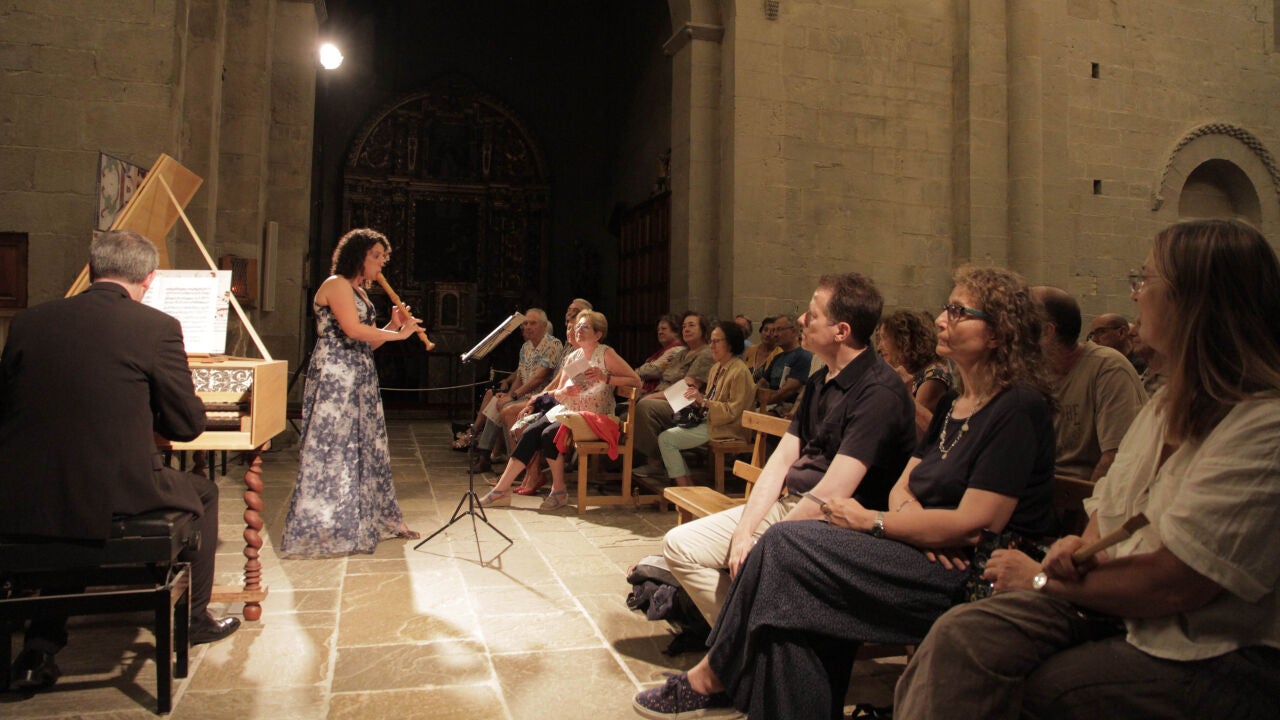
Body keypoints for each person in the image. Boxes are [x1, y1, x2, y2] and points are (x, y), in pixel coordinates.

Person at [895, 218, 1280, 720]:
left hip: (1204, 643)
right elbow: (1111, 506)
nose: (1136, 295)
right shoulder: (1164, 406)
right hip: (1110, 604)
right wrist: (1078, 545)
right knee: (960, 637)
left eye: (1145, 281)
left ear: (1195, 300)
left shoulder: (1263, 426)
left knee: (1049, 687)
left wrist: (1042, 578)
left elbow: (1174, 583)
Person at [634, 266, 1059, 720]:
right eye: (945, 308)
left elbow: (978, 523)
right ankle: (734, 676)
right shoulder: (954, 405)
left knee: (785, 551)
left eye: (958, 311)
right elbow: (904, 485)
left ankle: (716, 672)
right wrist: (917, 523)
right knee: (790, 580)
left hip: (973, 573)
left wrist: (873, 521)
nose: (941, 319)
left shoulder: (1018, 407)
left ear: (999, 333)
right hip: (918, 544)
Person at [0, 230, 240, 690]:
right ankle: (193, 620)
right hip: (111, 489)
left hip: (26, 487)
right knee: (203, 493)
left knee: (72, 502)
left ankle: (41, 645)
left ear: (92, 271)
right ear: (149, 279)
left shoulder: (29, 321)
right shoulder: (156, 326)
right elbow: (187, 425)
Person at [660, 272, 916, 625]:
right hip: (793, 506)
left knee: (749, 561)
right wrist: (745, 530)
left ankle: (745, 639)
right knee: (679, 545)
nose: (801, 320)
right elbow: (781, 460)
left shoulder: (878, 391)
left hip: (835, 524)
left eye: (812, 314)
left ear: (841, 331)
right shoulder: (821, 380)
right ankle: (748, 635)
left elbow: (833, 491)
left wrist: (769, 541)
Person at [280, 228, 424, 556]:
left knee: (365, 443)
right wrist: (400, 336)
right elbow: (352, 329)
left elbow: (368, 342)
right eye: (376, 256)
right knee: (332, 444)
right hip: (336, 373)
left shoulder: (360, 292)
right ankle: (324, 526)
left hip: (359, 371)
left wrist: (393, 327)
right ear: (358, 255)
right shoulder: (336, 284)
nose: (381, 263)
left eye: (384, 257)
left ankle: (361, 521)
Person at [479, 310, 642, 511]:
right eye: (578, 326)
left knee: (549, 434)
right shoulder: (574, 356)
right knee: (530, 432)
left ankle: (559, 490)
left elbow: (636, 381)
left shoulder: (606, 354)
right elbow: (560, 391)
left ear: (598, 334)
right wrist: (564, 391)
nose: (578, 330)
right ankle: (501, 490)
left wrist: (606, 378)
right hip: (569, 411)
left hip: (594, 416)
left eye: (585, 327)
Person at [1034, 286, 1146, 482]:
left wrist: (1087, 500)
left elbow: (1116, 458)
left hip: (1082, 492)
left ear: (1047, 331)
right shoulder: (1032, 372)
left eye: (1020, 321)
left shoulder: (1108, 368)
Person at [655, 321, 756, 487]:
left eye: (717, 341)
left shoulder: (740, 371)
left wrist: (703, 401)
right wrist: (696, 399)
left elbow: (733, 412)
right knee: (667, 434)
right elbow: (710, 399)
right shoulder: (716, 367)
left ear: (730, 343)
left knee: (666, 439)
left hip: (728, 427)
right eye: (711, 341)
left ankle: (685, 488)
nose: (711, 346)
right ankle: (687, 486)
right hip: (710, 420)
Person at [467, 308, 562, 472]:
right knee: (497, 401)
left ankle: (513, 463)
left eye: (532, 323)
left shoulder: (553, 344)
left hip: (541, 398)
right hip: (524, 396)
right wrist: (509, 395)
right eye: (525, 323)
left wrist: (513, 396)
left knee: (506, 408)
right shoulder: (525, 347)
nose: (527, 327)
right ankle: (485, 455)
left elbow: (539, 377)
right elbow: (520, 376)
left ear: (544, 325)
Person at [633, 312, 716, 476]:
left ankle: (657, 461)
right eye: (684, 326)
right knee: (625, 412)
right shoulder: (681, 353)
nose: (686, 329)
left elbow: (687, 386)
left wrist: (651, 396)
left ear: (703, 329)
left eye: (691, 325)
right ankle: (625, 463)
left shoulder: (706, 353)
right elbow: (665, 378)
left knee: (645, 407)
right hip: (664, 396)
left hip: (684, 402)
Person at [877, 308, 953, 437]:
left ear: (904, 340)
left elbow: (919, 431)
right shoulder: (911, 371)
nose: (879, 347)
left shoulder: (933, 376)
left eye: (884, 338)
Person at [754, 314, 812, 415]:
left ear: (793, 331)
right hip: (769, 404)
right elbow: (762, 382)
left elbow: (788, 391)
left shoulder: (803, 356)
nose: (775, 335)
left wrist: (763, 401)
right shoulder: (778, 357)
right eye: (774, 330)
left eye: (779, 330)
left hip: (786, 409)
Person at [635, 314, 686, 395]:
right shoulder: (663, 351)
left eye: (664, 329)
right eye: (658, 329)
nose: (659, 332)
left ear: (676, 332)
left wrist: (634, 372)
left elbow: (653, 370)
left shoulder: (678, 350)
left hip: (664, 395)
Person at [743, 314, 780, 381]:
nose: (768, 334)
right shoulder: (750, 350)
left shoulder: (779, 353)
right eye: (765, 330)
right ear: (761, 331)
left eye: (772, 331)